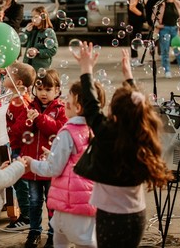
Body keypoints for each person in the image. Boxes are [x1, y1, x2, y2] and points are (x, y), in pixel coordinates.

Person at [71, 42, 172, 248]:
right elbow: (136, 109)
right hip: (137, 216)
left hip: (110, 218)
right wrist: (129, 78)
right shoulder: (143, 136)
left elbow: (90, 106)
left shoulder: (108, 135)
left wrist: (86, 68)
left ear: (114, 115)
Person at [23, 80, 106, 248]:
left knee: (68, 242)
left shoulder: (67, 133)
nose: (64, 102)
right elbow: (77, 159)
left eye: (69, 98)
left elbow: (53, 168)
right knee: (84, 241)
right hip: (88, 199)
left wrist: (31, 164)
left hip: (69, 203)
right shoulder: (91, 129)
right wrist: (53, 154)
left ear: (78, 108)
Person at [22, 69, 67, 248]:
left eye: (48, 89)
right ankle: (34, 232)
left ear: (57, 90)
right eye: (40, 88)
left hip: (50, 165)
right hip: (34, 166)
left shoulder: (60, 109)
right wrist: (27, 119)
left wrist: (40, 119)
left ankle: (53, 234)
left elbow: (59, 129)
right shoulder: (29, 107)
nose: (43, 93)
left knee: (52, 202)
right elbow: (19, 131)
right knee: (33, 202)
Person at [3, 62, 36, 231]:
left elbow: (22, 127)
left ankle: (27, 216)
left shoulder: (22, 102)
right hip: (16, 145)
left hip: (20, 148)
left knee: (20, 182)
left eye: (8, 76)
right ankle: (26, 214)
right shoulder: (16, 99)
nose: (5, 76)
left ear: (20, 83)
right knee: (19, 181)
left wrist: (12, 130)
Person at [152, 0, 180, 79]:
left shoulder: (177, 3)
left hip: (175, 29)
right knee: (165, 51)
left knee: (178, 51)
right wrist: (158, 25)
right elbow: (153, 17)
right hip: (164, 29)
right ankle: (167, 71)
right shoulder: (161, 4)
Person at [23, 6, 58, 71]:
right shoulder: (31, 31)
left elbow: (53, 50)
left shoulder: (48, 32)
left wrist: (38, 52)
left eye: (36, 17)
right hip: (28, 66)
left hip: (41, 68)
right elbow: (22, 43)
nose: (33, 19)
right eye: (32, 17)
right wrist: (27, 32)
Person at [127, 0, 147, 66]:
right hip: (135, 21)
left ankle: (135, 58)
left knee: (136, 39)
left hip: (137, 21)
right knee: (135, 39)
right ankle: (134, 59)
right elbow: (131, 7)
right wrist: (140, 14)